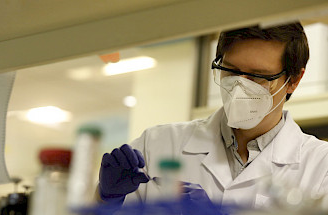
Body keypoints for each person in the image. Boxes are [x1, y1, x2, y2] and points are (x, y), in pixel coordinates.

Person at [98, 22, 328, 209]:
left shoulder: (320, 166)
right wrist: (105, 199)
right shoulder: (156, 144)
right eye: (231, 71)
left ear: (294, 81)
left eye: (259, 77)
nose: (239, 88)